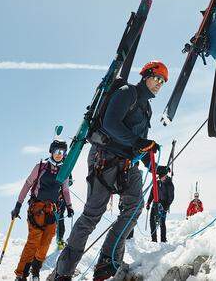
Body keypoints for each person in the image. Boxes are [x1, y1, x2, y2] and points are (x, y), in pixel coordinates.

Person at [51, 61, 168, 281]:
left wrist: (153, 164)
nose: (159, 84)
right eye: (157, 78)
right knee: (92, 215)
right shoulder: (127, 93)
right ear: (146, 76)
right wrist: (139, 142)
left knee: (134, 206)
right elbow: (110, 124)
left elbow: (136, 145)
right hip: (103, 158)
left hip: (126, 164)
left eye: (163, 82)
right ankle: (63, 272)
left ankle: (108, 261)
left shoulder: (146, 108)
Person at [12, 139, 74, 281]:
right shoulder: (41, 167)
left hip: (51, 210)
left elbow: (65, 190)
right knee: (34, 242)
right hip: (36, 209)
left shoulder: (64, 172)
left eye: (62, 152)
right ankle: (21, 274)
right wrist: (18, 205)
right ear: (51, 152)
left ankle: (35, 271)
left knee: (46, 243)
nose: (59, 154)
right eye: (56, 151)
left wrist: (69, 206)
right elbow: (27, 184)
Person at [145, 165, 174, 242]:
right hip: (155, 204)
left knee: (162, 222)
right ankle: (153, 239)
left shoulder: (169, 184)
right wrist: (148, 203)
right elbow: (152, 194)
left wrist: (166, 207)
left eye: (163, 176)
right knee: (152, 221)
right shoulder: (157, 183)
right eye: (160, 177)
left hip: (163, 205)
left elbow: (171, 197)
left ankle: (163, 240)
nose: (161, 178)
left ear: (165, 175)